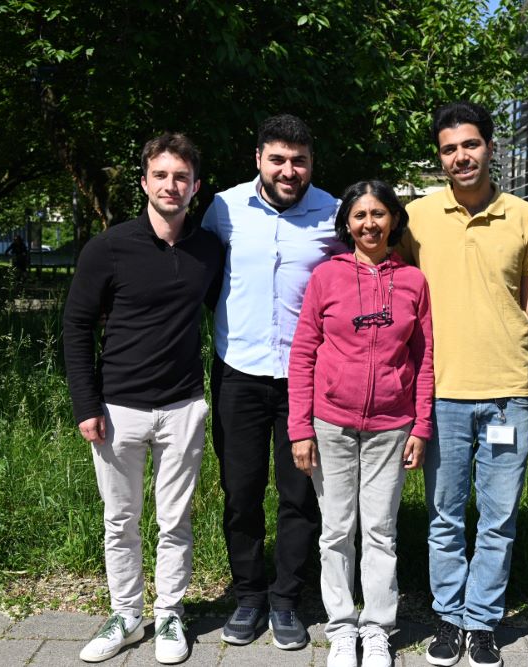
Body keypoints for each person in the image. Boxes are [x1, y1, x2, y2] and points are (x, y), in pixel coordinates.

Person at [397, 101, 528, 667]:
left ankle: (481, 623)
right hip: (440, 393)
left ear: (490, 146)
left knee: (499, 519)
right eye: (449, 149)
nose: (461, 156)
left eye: (470, 144)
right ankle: (447, 617)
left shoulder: (526, 217)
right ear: (440, 157)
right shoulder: (416, 217)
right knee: (444, 517)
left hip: (509, 393)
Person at [63, 132, 223, 664]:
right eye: (161, 175)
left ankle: (170, 612)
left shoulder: (207, 250)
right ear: (144, 182)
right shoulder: (108, 248)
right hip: (117, 409)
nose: (170, 185)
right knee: (121, 520)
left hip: (183, 406)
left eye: (181, 177)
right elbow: (76, 326)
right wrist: (86, 404)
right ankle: (127, 615)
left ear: (195, 187)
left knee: (175, 520)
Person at [202, 113, 345, 650]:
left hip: (306, 378)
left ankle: (286, 600)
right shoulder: (224, 208)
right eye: (278, 159)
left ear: (312, 163)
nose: (289, 170)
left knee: (299, 495)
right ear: (258, 158)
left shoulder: (334, 213)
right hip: (237, 371)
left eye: (299, 161)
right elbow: (203, 276)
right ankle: (248, 596)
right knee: (240, 492)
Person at [287, 180, 434, 667]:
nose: (369, 224)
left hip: (391, 427)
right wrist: (300, 428)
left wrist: (421, 426)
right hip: (331, 424)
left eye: (378, 214)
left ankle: (376, 629)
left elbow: (424, 358)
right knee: (336, 530)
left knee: (380, 531)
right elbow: (303, 353)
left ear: (394, 219)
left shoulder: (413, 281)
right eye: (359, 215)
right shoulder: (326, 276)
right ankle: (341, 627)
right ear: (346, 224)